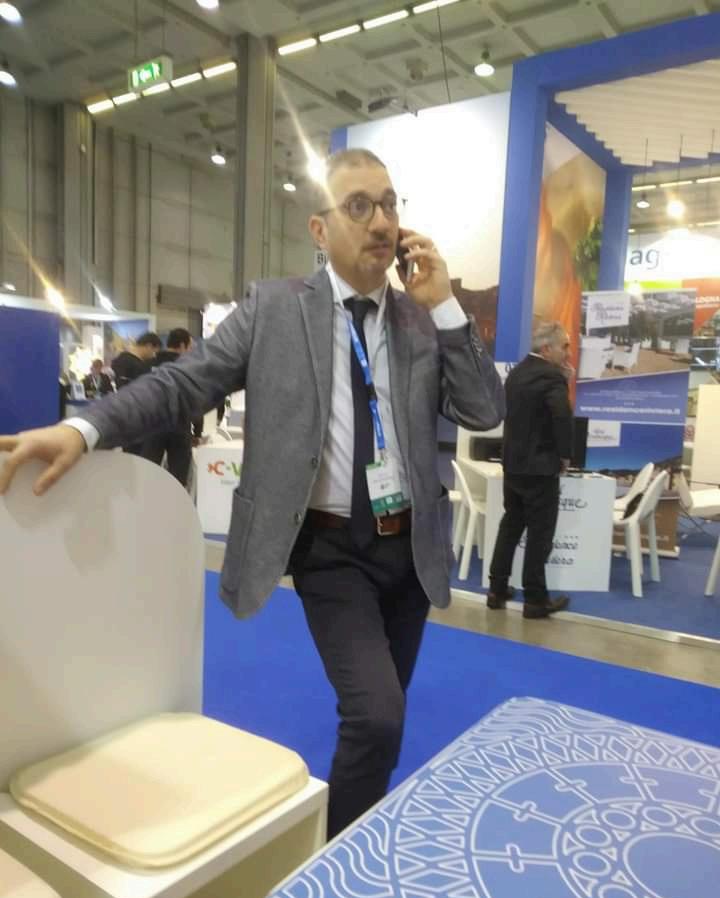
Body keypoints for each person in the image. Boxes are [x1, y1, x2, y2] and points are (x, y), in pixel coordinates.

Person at [0, 148, 504, 838]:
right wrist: (84, 429)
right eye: (359, 206)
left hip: (411, 552)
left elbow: (484, 410)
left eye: (390, 204)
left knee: (383, 715)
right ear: (320, 229)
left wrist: (445, 305)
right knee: (377, 715)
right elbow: (182, 384)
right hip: (332, 553)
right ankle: (337, 859)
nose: (382, 222)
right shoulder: (275, 309)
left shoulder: (421, 320)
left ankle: (352, 831)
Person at [487, 321, 573, 620]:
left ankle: (497, 590)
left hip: (513, 465)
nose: (568, 353)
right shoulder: (552, 377)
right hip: (540, 468)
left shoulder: (517, 373)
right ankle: (535, 600)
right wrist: (566, 455)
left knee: (510, 525)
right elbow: (561, 417)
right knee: (540, 535)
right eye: (564, 346)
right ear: (546, 349)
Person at [141, 328, 196, 487]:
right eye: (190, 346)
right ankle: (174, 503)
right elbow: (194, 398)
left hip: (152, 425)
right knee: (178, 479)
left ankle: (144, 501)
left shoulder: (147, 365)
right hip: (179, 425)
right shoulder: (189, 366)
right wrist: (198, 432)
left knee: (147, 473)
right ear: (182, 345)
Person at [110, 331, 161, 454]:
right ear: (148, 346)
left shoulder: (122, 361)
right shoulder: (131, 364)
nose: (153, 356)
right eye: (154, 352)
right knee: (136, 454)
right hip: (134, 417)